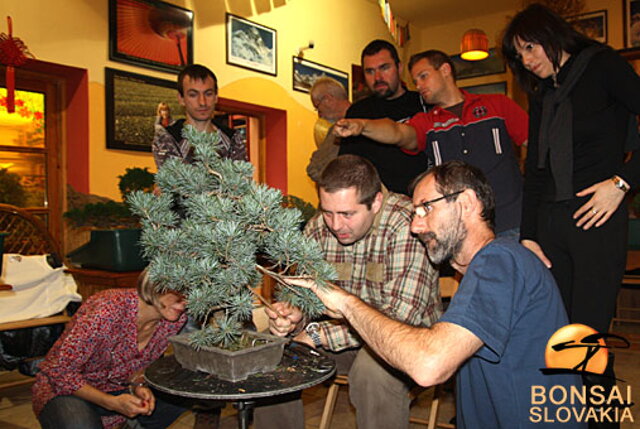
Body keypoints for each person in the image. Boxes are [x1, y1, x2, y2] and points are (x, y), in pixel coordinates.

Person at [287, 161, 585, 428]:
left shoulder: (501, 260)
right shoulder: (478, 271)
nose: (415, 226)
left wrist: (346, 303)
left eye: (425, 208)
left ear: (467, 203)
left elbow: (429, 366)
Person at [502, 6, 640, 427]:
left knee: (587, 331)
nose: (526, 61)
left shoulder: (603, 66)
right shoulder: (543, 92)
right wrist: (528, 235)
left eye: (528, 47)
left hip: (598, 217)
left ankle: (602, 422)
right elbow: (535, 171)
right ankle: (580, 420)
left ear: (550, 33)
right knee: (561, 334)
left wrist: (621, 183)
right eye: (518, 55)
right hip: (550, 223)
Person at [255, 154, 441, 429]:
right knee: (268, 353)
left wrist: (319, 334)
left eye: (347, 214)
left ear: (376, 202)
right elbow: (303, 296)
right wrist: (293, 314)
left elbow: (402, 317)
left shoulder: (407, 225)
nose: (335, 225)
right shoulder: (318, 228)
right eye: (328, 212)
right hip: (340, 339)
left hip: (407, 340)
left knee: (373, 372)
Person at [334, 49, 528, 237]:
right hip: (458, 232)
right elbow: (398, 132)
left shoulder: (498, 105)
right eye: (415, 80)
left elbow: (536, 147)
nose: (418, 85)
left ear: (445, 70)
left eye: (423, 76)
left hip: (512, 221)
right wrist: (362, 125)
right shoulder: (428, 122)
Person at [33, 269, 188, 429]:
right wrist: (111, 403)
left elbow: (138, 366)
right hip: (68, 389)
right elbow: (59, 372)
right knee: (79, 425)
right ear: (156, 285)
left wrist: (138, 385)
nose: (187, 301)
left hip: (118, 388)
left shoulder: (174, 319)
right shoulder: (107, 309)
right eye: (183, 292)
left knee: (184, 393)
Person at [338, 39, 430, 195]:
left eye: (384, 68)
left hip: (421, 196)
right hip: (374, 203)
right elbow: (348, 166)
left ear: (399, 68)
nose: (378, 77)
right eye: (370, 71)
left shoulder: (423, 103)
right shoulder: (357, 111)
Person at [152, 64, 247, 168]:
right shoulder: (168, 138)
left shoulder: (233, 140)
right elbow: (173, 180)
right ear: (181, 99)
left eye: (208, 94)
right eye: (193, 95)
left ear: (216, 97)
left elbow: (240, 180)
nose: (202, 102)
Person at [306, 77, 351, 182]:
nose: (319, 115)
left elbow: (314, 169)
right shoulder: (334, 129)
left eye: (318, 108)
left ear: (328, 99)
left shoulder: (351, 125)